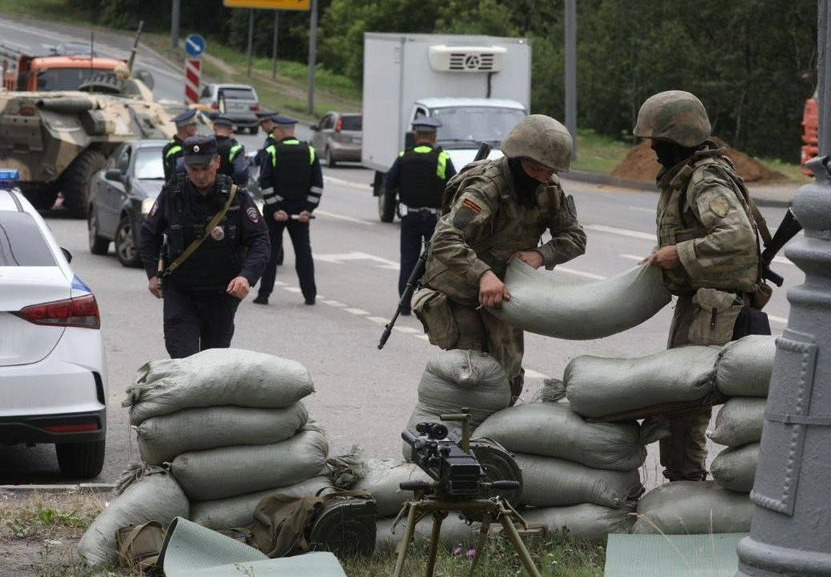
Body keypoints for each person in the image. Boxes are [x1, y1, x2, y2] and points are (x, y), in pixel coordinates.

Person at [634, 89, 769, 482]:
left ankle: (687, 479)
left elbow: (737, 237)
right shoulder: (690, 175)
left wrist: (679, 253)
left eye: (659, 141)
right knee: (680, 397)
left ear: (679, 139)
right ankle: (686, 478)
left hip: (714, 309)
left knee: (686, 400)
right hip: (703, 303)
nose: (654, 149)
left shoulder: (704, 179)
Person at [417, 115, 587, 404]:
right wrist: (482, 274)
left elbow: (575, 239)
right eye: (535, 168)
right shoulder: (485, 188)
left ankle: (495, 438)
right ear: (516, 159)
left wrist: (540, 255)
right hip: (460, 290)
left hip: (505, 292)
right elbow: (445, 239)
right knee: (471, 373)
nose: (543, 176)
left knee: (508, 373)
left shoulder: (549, 189)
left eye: (549, 170)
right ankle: (460, 440)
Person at [140, 135, 270, 358]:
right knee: (184, 360)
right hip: (181, 292)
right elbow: (149, 234)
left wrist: (246, 277)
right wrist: (153, 274)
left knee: (213, 365)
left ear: (217, 162)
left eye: (205, 168)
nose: (200, 175)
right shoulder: (173, 194)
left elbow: (260, 240)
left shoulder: (236, 198)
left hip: (221, 295)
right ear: (185, 165)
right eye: (193, 168)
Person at [384, 117, 457, 315]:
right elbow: (455, 185)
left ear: (416, 136)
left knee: (408, 259)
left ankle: (405, 305)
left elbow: (388, 185)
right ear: (434, 137)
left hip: (409, 217)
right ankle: (429, 304)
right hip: (434, 219)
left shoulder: (403, 156)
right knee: (433, 261)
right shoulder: (442, 158)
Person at [253, 115, 323, 306]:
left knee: (270, 253)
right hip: (301, 214)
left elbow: (264, 183)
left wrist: (276, 208)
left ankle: (264, 295)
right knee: (303, 253)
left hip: (276, 213)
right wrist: (308, 209)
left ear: (281, 131)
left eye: (275, 130)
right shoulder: (310, 152)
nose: (273, 133)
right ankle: (310, 296)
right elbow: (317, 185)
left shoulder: (273, 151)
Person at [212, 115, 249, 186]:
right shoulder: (235, 147)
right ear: (231, 130)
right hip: (226, 189)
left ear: (214, 128)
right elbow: (240, 172)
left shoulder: (206, 143)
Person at [162, 109, 198, 182]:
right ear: (186, 127)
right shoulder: (176, 150)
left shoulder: (184, 146)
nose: (196, 128)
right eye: (193, 125)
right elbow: (177, 178)